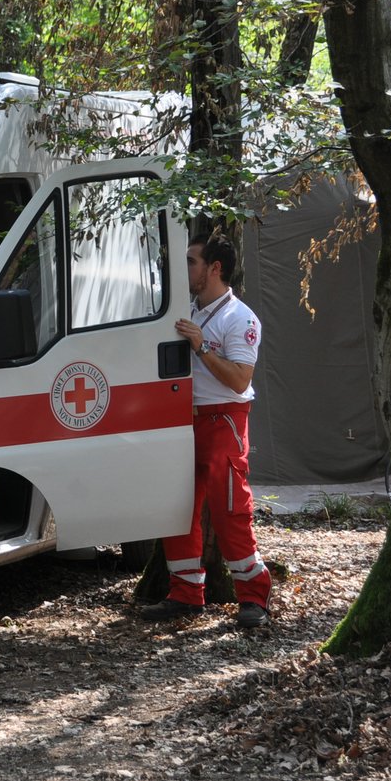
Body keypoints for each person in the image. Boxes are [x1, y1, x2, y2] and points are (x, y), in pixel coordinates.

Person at [142, 232, 273, 629]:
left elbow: (238, 379)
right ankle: (185, 593)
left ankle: (254, 596)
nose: (185, 269)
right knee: (176, 507)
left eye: (191, 262)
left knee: (231, 508)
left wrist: (201, 348)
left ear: (215, 268)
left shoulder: (241, 318)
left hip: (225, 421)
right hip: (183, 419)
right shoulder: (186, 311)